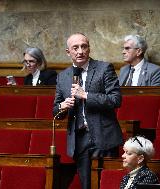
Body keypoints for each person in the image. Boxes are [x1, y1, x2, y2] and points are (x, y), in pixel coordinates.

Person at [53, 33, 123, 189]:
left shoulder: (104, 68)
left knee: (106, 184)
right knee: (87, 185)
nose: (80, 51)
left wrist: (85, 95)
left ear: (89, 48)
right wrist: (62, 106)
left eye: (84, 46)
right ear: (68, 52)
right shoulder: (63, 77)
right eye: (75, 48)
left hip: (103, 135)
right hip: (79, 139)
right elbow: (55, 110)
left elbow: (115, 100)